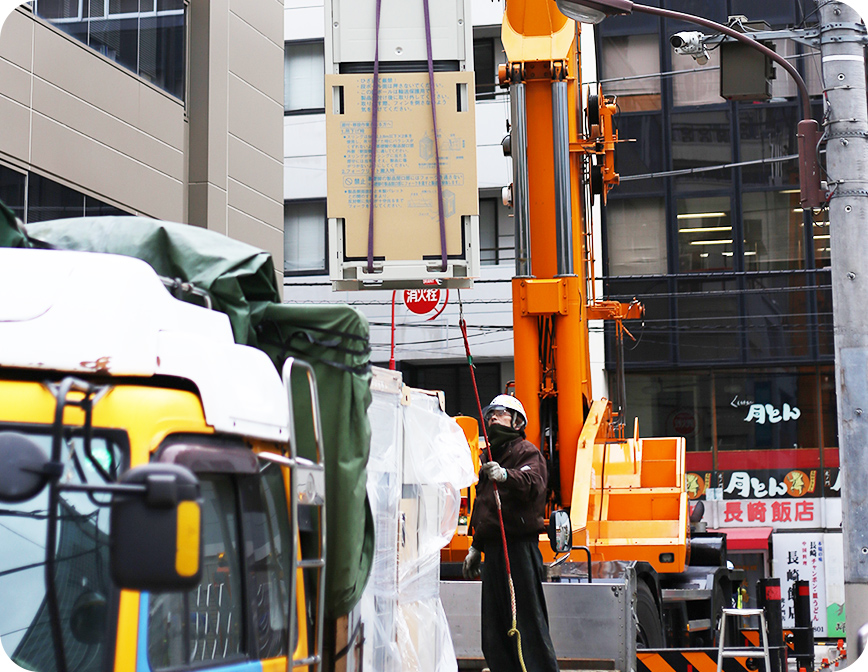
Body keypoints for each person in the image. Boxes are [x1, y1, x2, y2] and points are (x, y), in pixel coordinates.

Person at [463, 394, 559, 672]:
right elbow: (485, 507)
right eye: (490, 413)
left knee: (527, 624)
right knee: (494, 629)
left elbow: (534, 483)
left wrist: (506, 475)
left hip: (518, 549)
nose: (492, 417)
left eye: (500, 413)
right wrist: (476, 546)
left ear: (517, 421)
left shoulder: (526, 452)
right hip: (494, 553)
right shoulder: (489, 458)